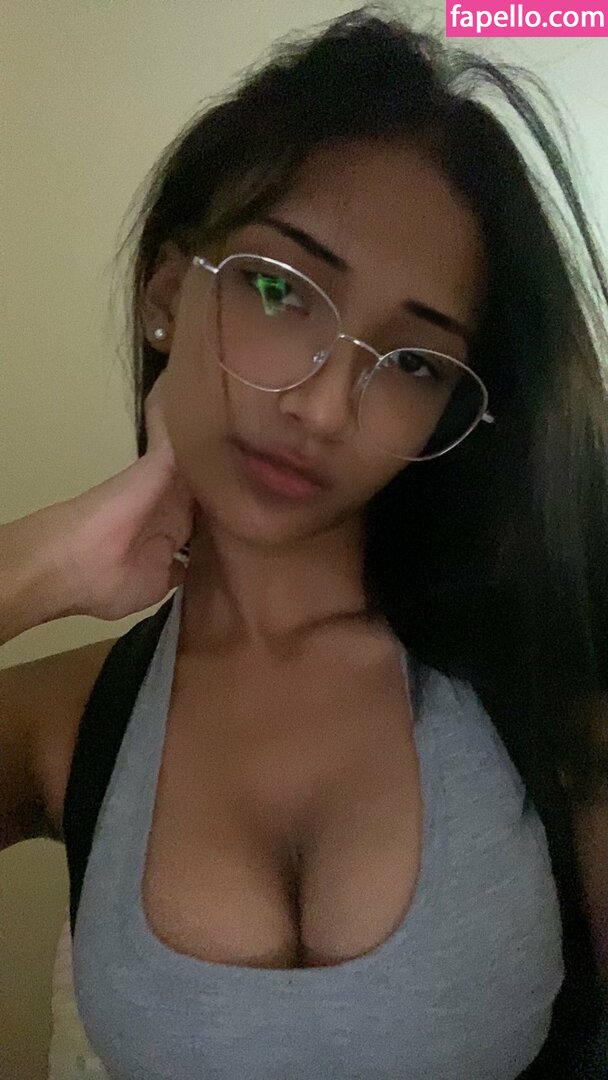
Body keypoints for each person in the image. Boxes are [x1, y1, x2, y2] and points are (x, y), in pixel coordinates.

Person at [1, 8, 607, 1078]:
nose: (325, 409)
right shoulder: (67, 722)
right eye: (281, 291)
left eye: (413, 363)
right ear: (164, 296)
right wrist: (35, 569)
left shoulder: (546, 690)